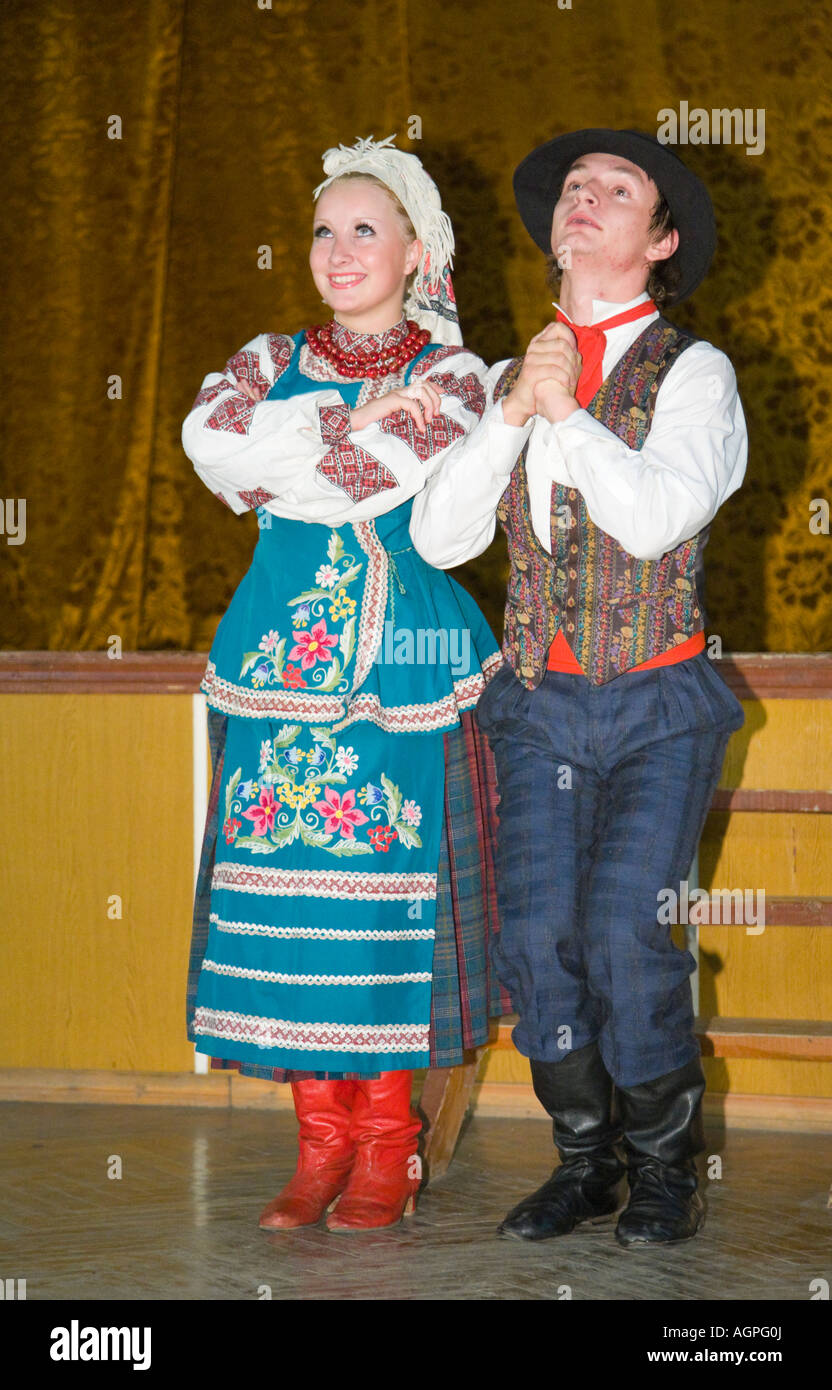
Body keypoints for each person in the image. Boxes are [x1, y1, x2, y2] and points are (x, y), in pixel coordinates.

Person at [410, 129, 747, 1247]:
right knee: (540, 933)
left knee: (621, 929)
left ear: (658, 241)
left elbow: (655, 518)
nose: (583, 198)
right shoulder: (512, 383)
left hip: (656, 702)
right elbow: (441, 533)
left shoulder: (694, 373)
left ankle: (663, 1167)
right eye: (571, 187)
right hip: (540, 703)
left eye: (617, 189)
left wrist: (562, 410)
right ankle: (582, 1158)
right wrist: (512, 409)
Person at [182, 136, 504, 1234]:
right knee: (280, 897)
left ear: (418, 251)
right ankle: (317, 1145)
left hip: (397, 667)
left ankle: (386, 1146)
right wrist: (335, 422)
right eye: (324, 229)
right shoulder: (269, 355)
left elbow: (372, 481)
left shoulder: (453, 375)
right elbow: (207, 443)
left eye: (365, 228)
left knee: (380, 909)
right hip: (274, 667)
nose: (337, 248)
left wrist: (298, 453)